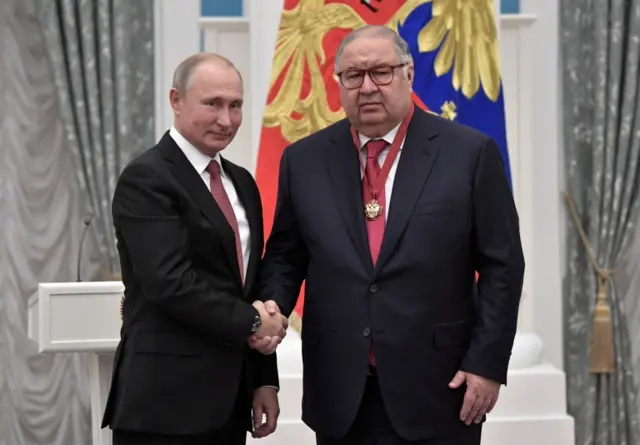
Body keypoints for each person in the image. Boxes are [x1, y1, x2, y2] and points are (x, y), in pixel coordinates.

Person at [258, 26, 525, 445]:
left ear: (409, 74)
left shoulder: (469, 154)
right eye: (353, 75)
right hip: (340, 393)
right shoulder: (303, 160)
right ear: (339, 83)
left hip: (441, 390)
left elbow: (502, 266)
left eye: (381, 72)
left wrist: (487, 363)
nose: (367, 87)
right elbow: (286, 256)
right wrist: (271, 308)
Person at [101, 53, 288, 445]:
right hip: (163, 406)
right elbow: (169, 283)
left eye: (235, 105)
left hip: (230, 404)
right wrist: (255, 323)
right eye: (212, 104)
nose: (226, 119)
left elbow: (246, 289)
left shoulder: (242, 183)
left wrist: (263, 381)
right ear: (176, 100)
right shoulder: (147, 178)